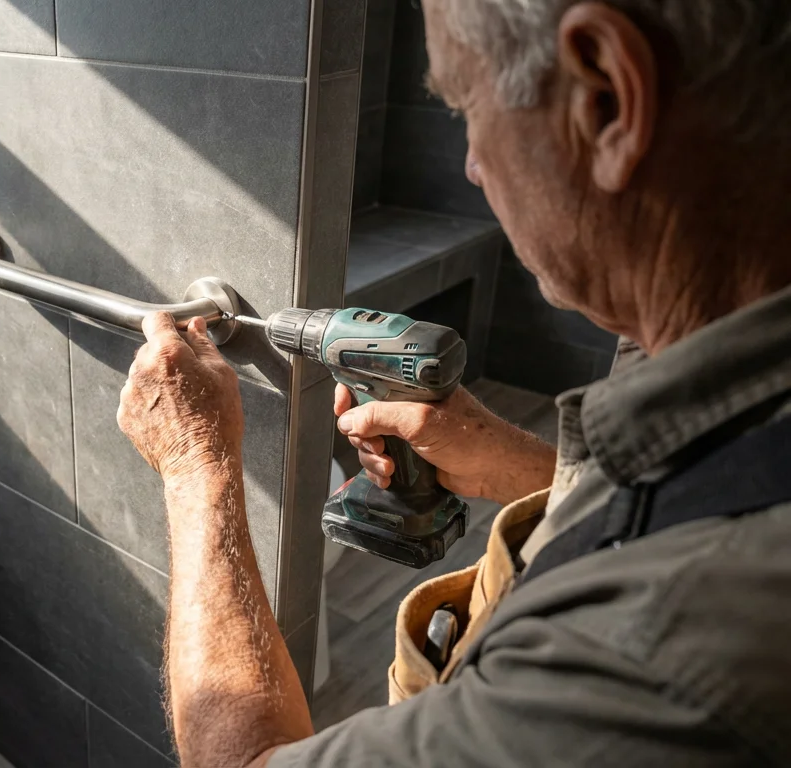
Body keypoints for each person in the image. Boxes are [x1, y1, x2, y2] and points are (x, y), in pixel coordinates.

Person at [116, 0, 791, 765]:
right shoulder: (711, 378)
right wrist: (528, 469)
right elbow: (682, 494)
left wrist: (195, 462)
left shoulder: (644, 657)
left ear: (607, 98)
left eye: (468, 105)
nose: (470, 164)